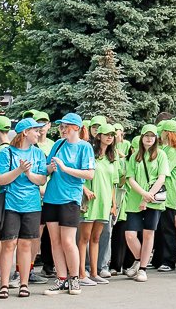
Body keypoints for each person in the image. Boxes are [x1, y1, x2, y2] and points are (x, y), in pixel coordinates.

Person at [41, 114, 95, 296]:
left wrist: (65, 168)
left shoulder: (84, 147)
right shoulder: (58, 145)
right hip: (51, 198)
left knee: (68, 241)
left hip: (70, 199)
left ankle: (75, 278)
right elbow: (46, 169)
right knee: (55, 241)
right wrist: (50, 169)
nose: (62, 129)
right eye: (61, 126)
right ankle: (61, 279)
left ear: (76, 128)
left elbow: (89, 174)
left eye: (66, 126)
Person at [0, 118, 47, 299]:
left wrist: (28, 173)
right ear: (25, 132)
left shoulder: (38, 154)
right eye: (36, 130)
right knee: (8, 245)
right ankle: (4, 285)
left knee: (26, 245)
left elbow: (42, 180)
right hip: (10, 204)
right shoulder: (6, 152)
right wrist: (19, 170)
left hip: (32, 205)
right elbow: (0, 180)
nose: (39, 133)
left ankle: (24, 284)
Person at [123, 124, 169, 284]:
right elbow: (130, 178)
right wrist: (143, 195)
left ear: (156, 138)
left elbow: (162, 177)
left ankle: (142, 268)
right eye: (146, 135)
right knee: (130, 235)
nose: (149, 138)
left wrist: (147, 198)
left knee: (149, 234)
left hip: (154, 201)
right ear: (141, 137)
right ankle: (139, 259)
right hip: (135, 200)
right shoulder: (134, 156)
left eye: (152, 135)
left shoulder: (161, 155)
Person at [75, 123, 118, 288]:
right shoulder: (89, 153)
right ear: (98, 136)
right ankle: (81, 273)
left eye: (112, 134)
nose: (109, 137)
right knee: (83, 238)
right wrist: (85, 189)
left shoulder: (112, 158)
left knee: (96, 238)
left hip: (104, 202)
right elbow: (80, 175)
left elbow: (113, 183)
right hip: (90, 202)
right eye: (106, 134)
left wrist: (113, 205)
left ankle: (94, 273)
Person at [153, 121, 176, 272]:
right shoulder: (166, 148)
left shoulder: (173, 151)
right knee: (160, 227)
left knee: (167, 227)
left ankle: (169, 259)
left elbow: (163, 169)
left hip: (169, 193)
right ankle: (158, 259)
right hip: (161, 192)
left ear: (167, 132)